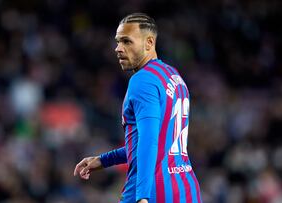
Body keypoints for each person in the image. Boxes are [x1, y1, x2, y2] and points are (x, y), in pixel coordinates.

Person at [74, 13, 202, 203]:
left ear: (149, 42)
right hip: (186, 190)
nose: (118, 48)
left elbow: (149, 141)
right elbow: (157, 143)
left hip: (153, 191)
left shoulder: (142, 81)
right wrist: (103, 160)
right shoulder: (173, 76)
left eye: (127, 41)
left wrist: (142, 196)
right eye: (118, 41)